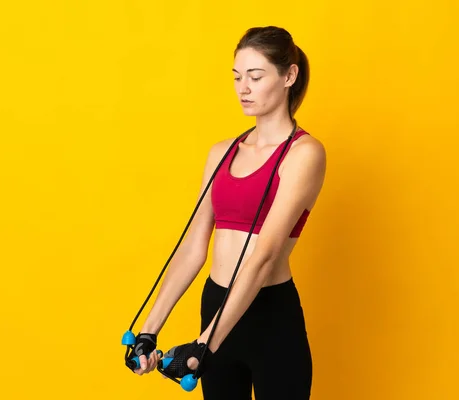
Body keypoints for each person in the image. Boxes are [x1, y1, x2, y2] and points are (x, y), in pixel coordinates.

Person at [127, 26, 326, 400]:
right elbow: (192, 249)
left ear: (289, 76)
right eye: (237, 77)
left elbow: (264, 256)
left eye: (255, 76)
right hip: (215, 305)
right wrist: (149, 330)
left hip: (269, 315)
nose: (243, 88)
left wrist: (204, 344)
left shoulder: (304, 154)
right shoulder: (222, 152)